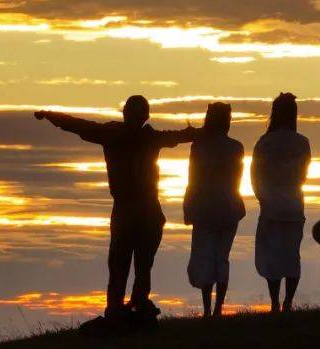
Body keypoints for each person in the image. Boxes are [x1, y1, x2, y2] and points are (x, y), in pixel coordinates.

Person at [34, 95, 200, 321]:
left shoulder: (113, 134)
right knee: (142, 265)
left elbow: (77, 125)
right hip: (149, 212)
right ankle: (137, 305)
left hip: (126, 212)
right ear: (146, 116)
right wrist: (207, 129)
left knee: (120, 264)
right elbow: (181, 136)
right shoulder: (150, 137)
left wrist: (51, 116)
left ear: (124, 113)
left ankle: (117, 309)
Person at [183, 103, 245, 317]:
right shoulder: (236, 147)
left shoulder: (199, 146)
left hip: (204, 206)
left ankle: (208, 309)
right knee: (222, 257)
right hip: (229, 206)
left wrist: (188, 206)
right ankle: (218, 307)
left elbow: (193, 179)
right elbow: (237, 179)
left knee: (206, 257)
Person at [252, 93, 311, 313]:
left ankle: (275, 301)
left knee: (272, 256)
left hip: (271, 205)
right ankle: (288, 302)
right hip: (295, 204)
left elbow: (255, 175)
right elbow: (303, 175)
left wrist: (263, 197)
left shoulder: (264, 142)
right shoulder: (302, 142)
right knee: (292, 254)